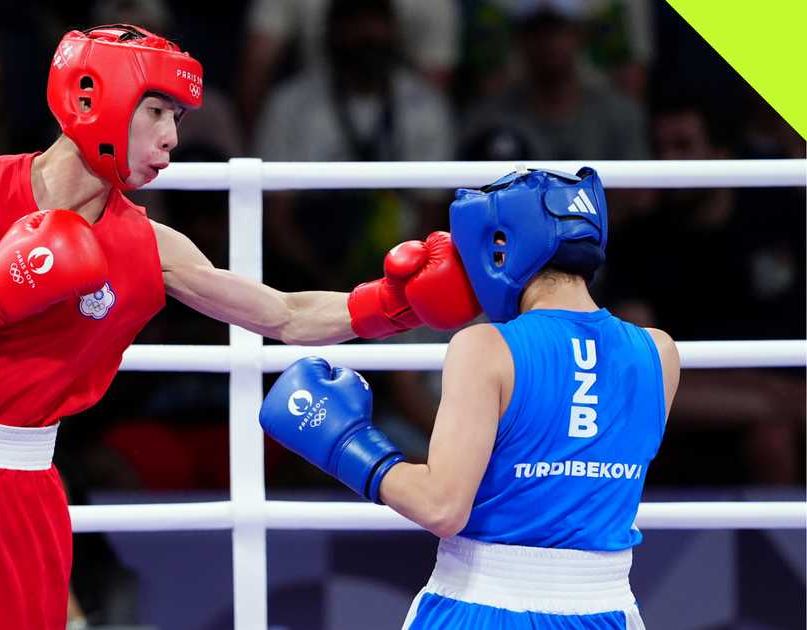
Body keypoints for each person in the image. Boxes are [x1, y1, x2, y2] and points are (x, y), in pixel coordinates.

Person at [0, 24, 481, 629]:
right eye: (157, 111)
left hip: (12, 495)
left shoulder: (150, 247)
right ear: (95, 98)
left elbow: (283, 314)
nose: (172, 139)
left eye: (177, 118)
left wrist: (396, 304)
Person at [260, 167, 681, 628]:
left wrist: (345, 444)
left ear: (500, 246)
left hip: (482, 605)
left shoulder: (485, 348)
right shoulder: (658, 353)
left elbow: (441, 506)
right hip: (609, 611)